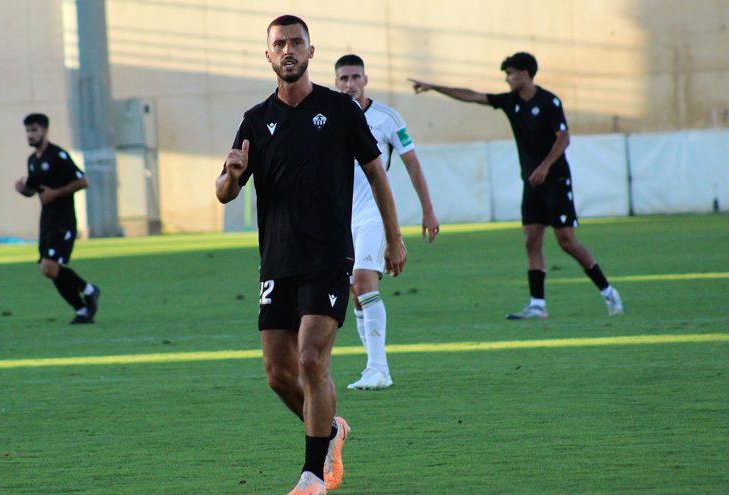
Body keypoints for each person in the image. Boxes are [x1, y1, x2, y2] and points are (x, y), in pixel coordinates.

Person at [216, 15, 407, 495]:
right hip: (277, 259)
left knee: (311, 360)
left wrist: (393, 237)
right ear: (267, 55)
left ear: (310, 51)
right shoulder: (255, 121)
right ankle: (332, 429)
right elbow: (224, 192)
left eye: (296, 42)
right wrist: (233, 175)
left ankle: (312, 475)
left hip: (329, 255)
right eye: (278, 44)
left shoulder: (340, 110)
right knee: (278, 374)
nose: (287, 50)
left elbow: (377, 175)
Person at [409, 52, 624, 319]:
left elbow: (564, 138)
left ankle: (608, 291)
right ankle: (537, 304)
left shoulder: (548, 101)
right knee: (531, 241)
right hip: (532, 183)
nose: (508, 79)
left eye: (511, 73)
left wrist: (545, 166)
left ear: (525, 74)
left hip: (556, 180)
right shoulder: (510, 101)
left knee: (566, 242)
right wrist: (434, 87)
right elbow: (473, 95)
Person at [334, 54, 439, 390]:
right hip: (339, 219)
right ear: (336, 82)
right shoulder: (329, 117)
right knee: (354, 291)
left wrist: (428, 210)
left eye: (354, 77)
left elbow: (412, 164)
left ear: (365, 79)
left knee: (364, 283)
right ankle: (372, 368)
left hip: (375, 215)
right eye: (343, 78)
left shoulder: (386, 118)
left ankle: (380, 368)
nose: (349, 84)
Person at [14, 113, 101, 324]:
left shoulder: (58, 155)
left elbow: (82, 181)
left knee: (49, 266)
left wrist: (56, 193)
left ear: (45, 130)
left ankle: (89, 290)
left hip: (63, 220)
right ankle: (82, 310)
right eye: (27, 130)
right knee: (50, 270)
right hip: (47, 222)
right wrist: (24, 190)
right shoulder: (33, 161)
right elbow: (36, 190)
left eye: (34, 130)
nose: (30, 134)